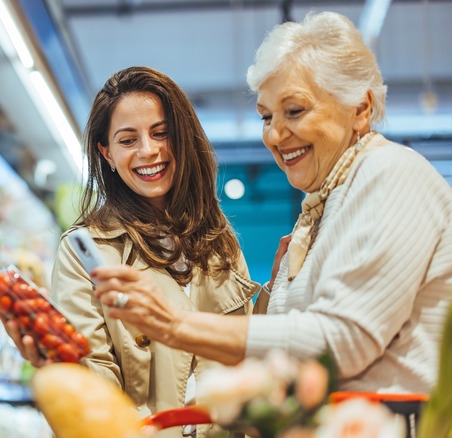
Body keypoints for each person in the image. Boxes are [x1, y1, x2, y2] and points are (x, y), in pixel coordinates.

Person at [91, 11, 452, 395]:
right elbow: (284, 355)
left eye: (294, 111)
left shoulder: (389, 174)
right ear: (106, 153)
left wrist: (176, 325)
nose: (275, 135)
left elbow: (343, 341)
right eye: (266, 116)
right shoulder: (322, 209)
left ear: (360, 109)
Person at [3, 66, 260, 427]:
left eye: (161, 133)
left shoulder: (220, 241)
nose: (148, 151)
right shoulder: (85, 251)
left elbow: (246, 355)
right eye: (128, 140)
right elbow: (96, 385)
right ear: (106, 153)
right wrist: (60, 365)